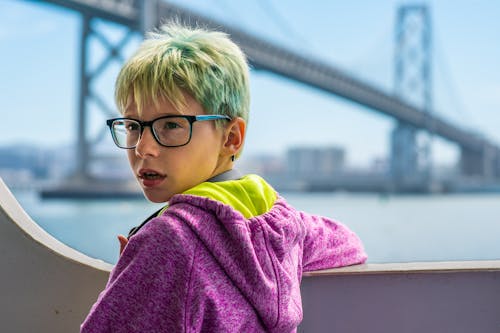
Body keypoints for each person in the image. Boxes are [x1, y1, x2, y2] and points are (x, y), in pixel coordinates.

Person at [81, 22, 367, 333]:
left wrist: (145, 265)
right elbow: (350, 245)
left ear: (231, 138)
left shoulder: (168, 239)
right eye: (133, 126)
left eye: (171, 125)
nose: (143, 147)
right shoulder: (279, 223)